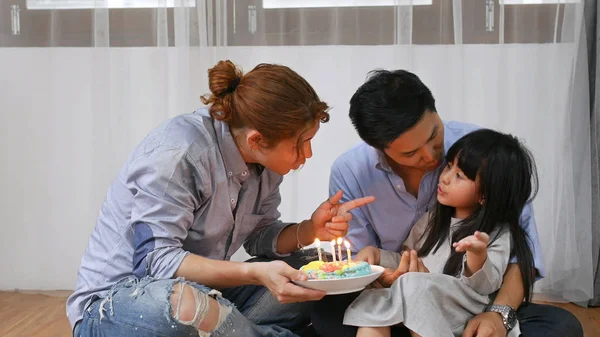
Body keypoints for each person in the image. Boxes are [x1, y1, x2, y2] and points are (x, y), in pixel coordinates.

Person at [66, 60, 374, 337]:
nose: (307, 154)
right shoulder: (178, 154)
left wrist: (309, 230)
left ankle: (234, 329)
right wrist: (253, 273)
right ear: (257, 139)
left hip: (211, 298)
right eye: (300, 144)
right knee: (180, 306)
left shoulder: (264, 164)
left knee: (316, 266)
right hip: (122, 305)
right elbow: (155, 262)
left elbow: (257, 238)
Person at [311, 69, 583, 337]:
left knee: (561, 326)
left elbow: (520, 257)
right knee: (331, 313)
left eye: (433, 136)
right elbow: (389, 262)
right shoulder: (352, 172)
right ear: (380, 148)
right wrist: (378, 265)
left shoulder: (482, 152)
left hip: (472, 306)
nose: (432, 158)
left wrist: (498, 315)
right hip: (396, 295)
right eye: (411, 152)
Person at [344, 128, 537, 337]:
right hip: (420, 296)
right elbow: (408, 258)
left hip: (463, 311)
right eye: (448, 167)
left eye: (459, 176)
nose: (444, 178)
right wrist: (377, 255)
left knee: (413, 287)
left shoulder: (496, 233)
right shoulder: (433, 219)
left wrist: (477, 255)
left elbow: (485, 286)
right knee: (375, 296)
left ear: (485, 195)